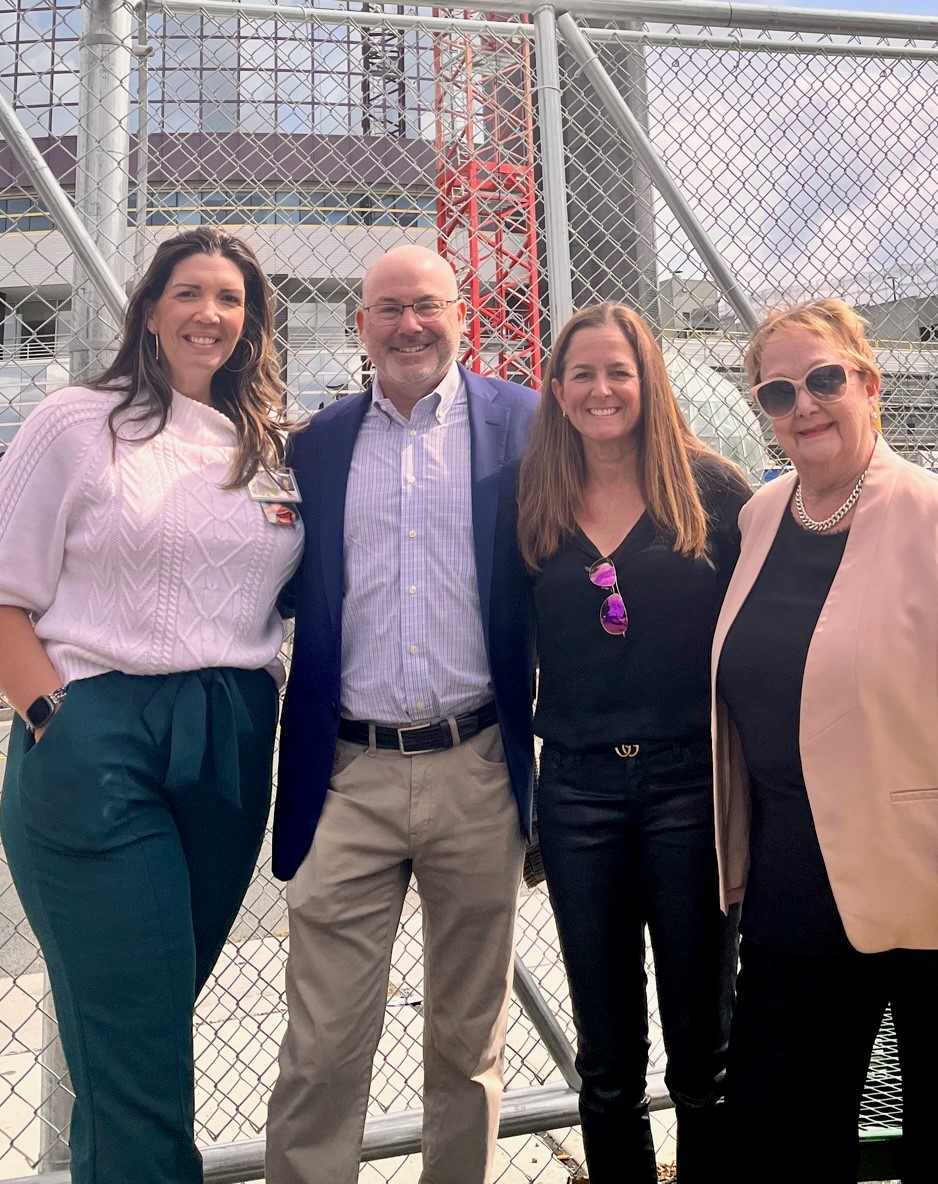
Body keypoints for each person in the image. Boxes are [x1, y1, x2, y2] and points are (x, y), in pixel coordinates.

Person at [0, 227, 300, 1184]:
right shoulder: (76, 421)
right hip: (101, 733)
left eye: (231, 300)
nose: (210, 315)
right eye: (189, 293)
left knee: (145, 1028)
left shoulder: (269, 448)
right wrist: (60, 720)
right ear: (149, 309)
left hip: (230, 741)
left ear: (251, 323)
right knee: (136, 1037)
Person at [711, 299, 938, 1182]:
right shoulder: (760, 519)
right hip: (795, 896)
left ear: (870, 384)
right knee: (775, 1143)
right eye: (779, 391)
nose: (806, 405)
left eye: (826, 379)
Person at [266, 245, 538, 1184]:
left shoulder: (525, 424)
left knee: (468, 1046)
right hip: (350, 772)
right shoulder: (319, 443)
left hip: (478, 764)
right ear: (362, 325)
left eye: (427, 306)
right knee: (322, 1045)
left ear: (462, 316)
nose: (409, 326)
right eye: (389, 309)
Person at [517, 304, 749, 1183]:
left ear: (648, 381)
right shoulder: (531, 495)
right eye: (582, 373)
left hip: (692, 788)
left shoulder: (714, 491)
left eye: (619, 371)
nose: (602, 389)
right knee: (606, 1059)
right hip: (576, 797)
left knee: (705, 1049)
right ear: (558, 389)